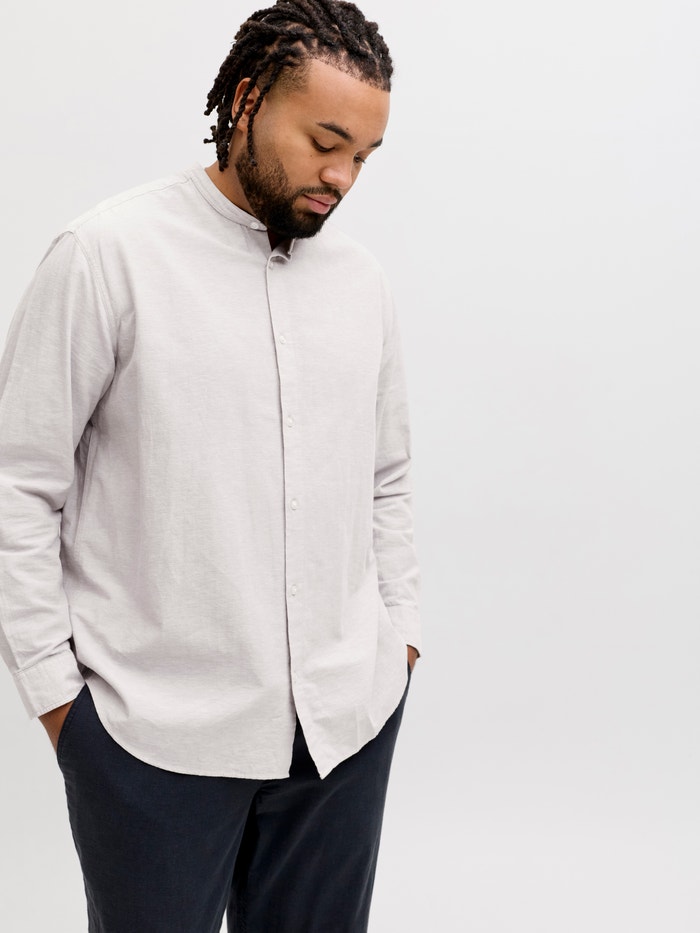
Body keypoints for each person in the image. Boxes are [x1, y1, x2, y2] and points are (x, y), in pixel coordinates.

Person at [0, 1, 420, 930]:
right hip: (153, 741)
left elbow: (387, 477)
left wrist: (400, 644)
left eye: (364, 155)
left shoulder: (362, 285)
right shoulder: (107, 257)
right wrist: (61, 705)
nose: (342, 176)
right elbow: (17, 487)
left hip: (343, 732)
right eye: (325, 142)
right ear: (246, 100)